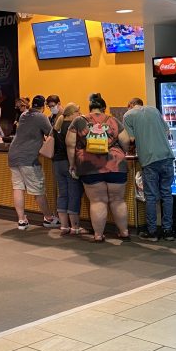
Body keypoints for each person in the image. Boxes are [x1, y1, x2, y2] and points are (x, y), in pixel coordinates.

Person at [67, 94, 129, 243]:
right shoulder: (113, 120)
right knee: (118, 200)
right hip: (115, 164)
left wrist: (72, 164)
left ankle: (98, 235)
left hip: (90, 166)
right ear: (103, 108)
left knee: (97, 201)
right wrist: (123, 152)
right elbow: (125, 140)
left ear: (90, 108)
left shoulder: (79, 121)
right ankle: (124, 232)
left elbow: (70, 144)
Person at [120, 97, 176, 242]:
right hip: (167, 156)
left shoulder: (128, 115)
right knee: (167, 194)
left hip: (149, 159)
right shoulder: (154, 110)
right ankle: (168, 231)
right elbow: (167, 130)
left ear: (130, 105)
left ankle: (152, 232)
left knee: (151, 196)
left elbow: (130, 139)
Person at [8, 95, 59, 230]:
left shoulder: (24, 115)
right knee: (38, 189)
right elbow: (51, 133)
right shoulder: (41, 117)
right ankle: (49, 218)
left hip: (13, 156)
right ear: (43, 107)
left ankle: (21, 220)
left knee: (18, 187)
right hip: (28, 158)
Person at [53, 102, 85, 235]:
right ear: (72, 113)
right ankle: (75, 227)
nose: (80, 115)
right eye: (78, 112)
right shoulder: (72, 127)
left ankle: (64, 226)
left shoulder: (57, 126)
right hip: (69, 162)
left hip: (57, 163)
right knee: (74, 194)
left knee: (63, 194)